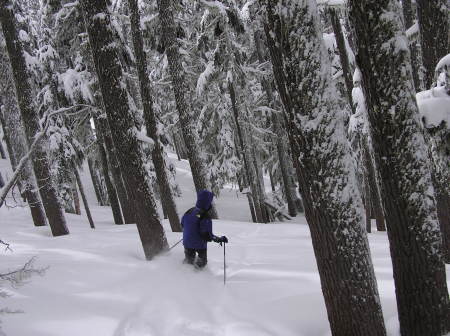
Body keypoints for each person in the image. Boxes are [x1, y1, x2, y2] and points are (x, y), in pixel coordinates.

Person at [181, 190, 228, 269]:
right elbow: (207, 235)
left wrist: (190, 232)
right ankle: (199, 278)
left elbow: (182, 224)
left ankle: (184, 276)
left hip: (187, 242)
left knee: (188, 263)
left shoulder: (190, 210)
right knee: (201, 264)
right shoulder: (205, 216)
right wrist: (219, 239)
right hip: (199, 245)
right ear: (208, 202)